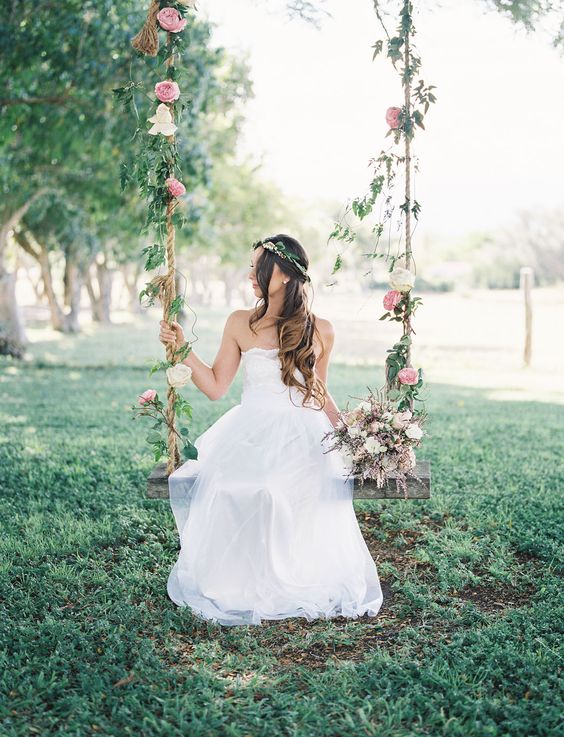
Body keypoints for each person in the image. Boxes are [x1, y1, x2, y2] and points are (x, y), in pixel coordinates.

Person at [159, 234, 383, 626]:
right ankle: (237, 581)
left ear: (279, 275)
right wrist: (182, 349)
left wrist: (355, 438)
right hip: (249, 430)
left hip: (302, 435)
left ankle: (287, 577)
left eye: (255, 266)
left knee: (272, 489)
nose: (249, 275)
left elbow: (318, 393)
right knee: (238, 487)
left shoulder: (322, 330)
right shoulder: (239, 322)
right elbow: (215, 386)